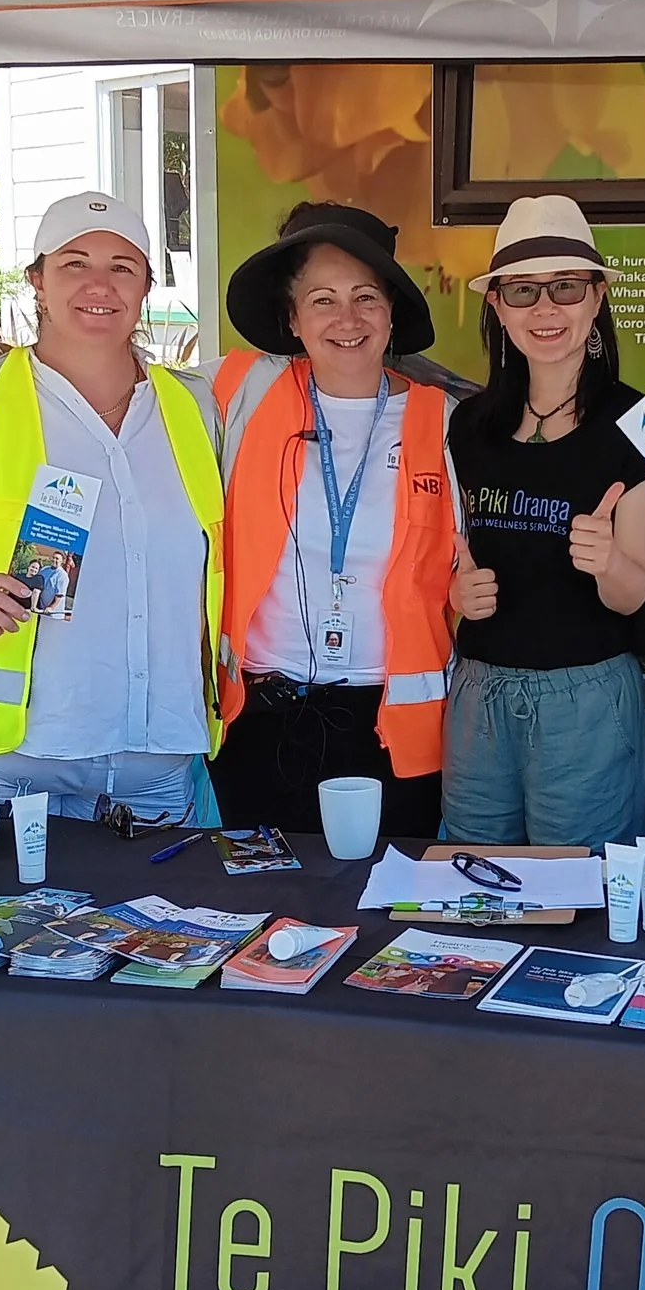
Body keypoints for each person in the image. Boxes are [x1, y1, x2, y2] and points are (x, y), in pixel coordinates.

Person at [0, 190, 223, 819]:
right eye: (74, 263)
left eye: (122, 266)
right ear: (38, 281)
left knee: (153, 923)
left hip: (151, 761)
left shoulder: (197, 409)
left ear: (145, 286)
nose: (99, 284)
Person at [209, 202, 456, 837]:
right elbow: (115, 386)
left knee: (384, 917)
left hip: (394, 728)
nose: (347, 319)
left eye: (366, 297)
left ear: (392, 311)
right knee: (263, 912)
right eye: (322, 300)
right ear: (291, 319)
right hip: (261, 717)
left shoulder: (446, 420)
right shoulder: (237, 390)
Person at [445, 194, 645, 848]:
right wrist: (457, 595)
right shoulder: (465, 424)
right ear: (497, 306)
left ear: (597, 297)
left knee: (576, 892)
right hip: (479, 691)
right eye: (522, 291)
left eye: (566, 287)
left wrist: (609, 561)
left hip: (589, 700)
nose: (545, 309)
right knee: (471, 887)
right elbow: (456, 555)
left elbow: (635, 594)